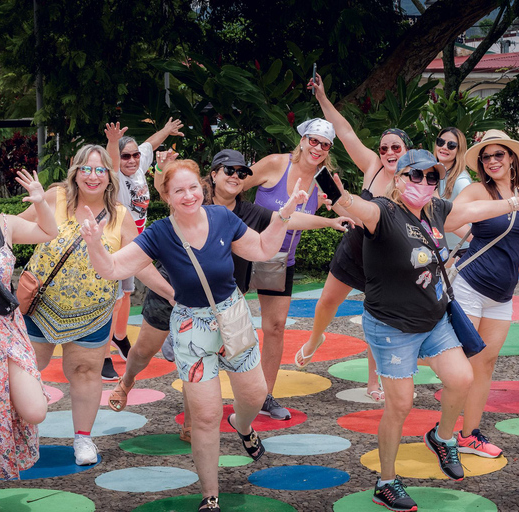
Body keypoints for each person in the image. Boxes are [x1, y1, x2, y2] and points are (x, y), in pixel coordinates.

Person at [81, 158, 309, 512]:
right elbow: (111, 268)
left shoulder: (222, 218)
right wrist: (95, 243)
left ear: (202, 188)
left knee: (253, 395)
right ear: (167, 196)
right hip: (191, 328)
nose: (188, 196)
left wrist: (286, 212)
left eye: (192, 188)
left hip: (231, 316)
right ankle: (210, 496)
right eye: (178, 191)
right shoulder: (159, 233)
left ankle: (242, 425)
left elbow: (263, 249)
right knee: (204, 416)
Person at [326, 148, 519, 511]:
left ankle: (442, 438)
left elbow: (472, 212)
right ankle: (386, 482)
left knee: (461, 379)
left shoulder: (436, 210)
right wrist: (339, 196)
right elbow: (356, 208)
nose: (424, 182)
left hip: (434, 318)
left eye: (431, 177)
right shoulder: (384, 211)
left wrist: (518, 202)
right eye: (415, 175)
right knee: (400, 405)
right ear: (398, 178)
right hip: (391, 325)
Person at [106, 149, 350, 439]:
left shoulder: (246, 213)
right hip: (171, 287)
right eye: (229, 170)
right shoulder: (194, 200)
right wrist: (161, 168)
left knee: (198, 359)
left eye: (243, 172)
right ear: (214, 174)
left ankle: (192, 422)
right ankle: (128, 380)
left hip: (219, 300)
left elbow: (286, 219)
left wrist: (331, 222)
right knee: (144, 350)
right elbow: (166, 189)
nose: (237, 176)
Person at [19, 145, 173, 466]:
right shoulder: (54, 198)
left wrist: (172, 293)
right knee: (26, 369)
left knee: (86, 371)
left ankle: (83, 438)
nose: (92, 176)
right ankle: (19, 435)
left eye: (100, 169)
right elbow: (11, 230)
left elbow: (139, 264)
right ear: (75, 171)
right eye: (86, 169)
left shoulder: (120, 215)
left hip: (94, 311)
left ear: (109, 176)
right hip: (41, 305)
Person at [294, 74, 413, 403]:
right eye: (385, 147)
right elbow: (344, 131)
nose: (389, 152)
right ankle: (316, 339)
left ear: (407, 151)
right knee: (327, 302)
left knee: (376, 317)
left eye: (396, 147)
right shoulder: (372, 166)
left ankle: (375, 382)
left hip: (386, 256)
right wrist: (321, 96)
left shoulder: (413, 179)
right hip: (355, 246)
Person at [449, 130, 519, 459]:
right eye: (486, 156)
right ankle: (443, 435)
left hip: (503, 294)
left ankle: (469, 435)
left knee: (485, 364)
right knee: (460, 364)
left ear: (511, 159)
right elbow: (450, 220)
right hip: (470, 285)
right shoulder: (478, 190)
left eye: (499, 155)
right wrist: (509, 204)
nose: (493, 160)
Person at [245, 116, 342, 419]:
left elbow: (344, 206)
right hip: (246, 253)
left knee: (275, 327)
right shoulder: (276, 163)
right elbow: (232, 186)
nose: (317, 148)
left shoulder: (324, 177)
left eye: (324, 145)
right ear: (302, 139)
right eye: (313, 140)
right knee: (224, 325)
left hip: (281, 260)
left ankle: (264, 396)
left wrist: (333, 202)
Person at [0, 161, 57, 512]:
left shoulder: (5, 225)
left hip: (6, 335)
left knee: (34, 409)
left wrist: (39, 200)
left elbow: (49, 232)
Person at [100, 119, 184, 381]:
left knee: (126, 293)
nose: (133, 159)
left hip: (139, 242)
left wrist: (167, 131)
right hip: (115, 243)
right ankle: (103, 355)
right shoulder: (113, 177)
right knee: (113, 299)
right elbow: (111, 161)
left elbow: (151, 144)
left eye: (135, 155)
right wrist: (113, 143)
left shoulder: (139, 167)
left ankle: (120, 337)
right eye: (126, 156)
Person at [434, 127, 473, 252]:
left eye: (451, 145)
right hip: (439, 247)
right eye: (441, 142)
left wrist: (476, 241)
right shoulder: (433, 172)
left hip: (459, 251)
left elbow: (471, 213)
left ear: (459, 151)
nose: (444, 147)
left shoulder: (461, 180)